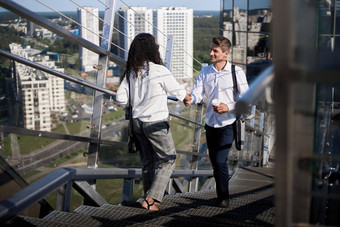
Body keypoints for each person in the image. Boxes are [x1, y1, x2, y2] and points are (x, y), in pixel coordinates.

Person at [116, 33, 191, 211]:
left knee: (148, 161)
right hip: (156, 123)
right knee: (168, 159)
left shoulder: (132, 71)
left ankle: (146, 196)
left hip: (137, 124)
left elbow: (120, 98)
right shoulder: (159, 70)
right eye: (156, 46)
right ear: (152, 50)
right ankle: (152, 199)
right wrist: (187, 98)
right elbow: (178, 91)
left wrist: (136, 103)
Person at [184, 36, 249, 208]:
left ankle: (223, 197)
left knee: (220, 160)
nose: (210, 53)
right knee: (215, 162)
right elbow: (197, 93)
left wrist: (228, 107)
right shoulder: (205, 72)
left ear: (225, 54)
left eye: (215, 51)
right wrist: (190, 99)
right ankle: (221, 194)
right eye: (211, 49)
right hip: (210, 124)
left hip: (228, 123)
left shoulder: (236, 72)